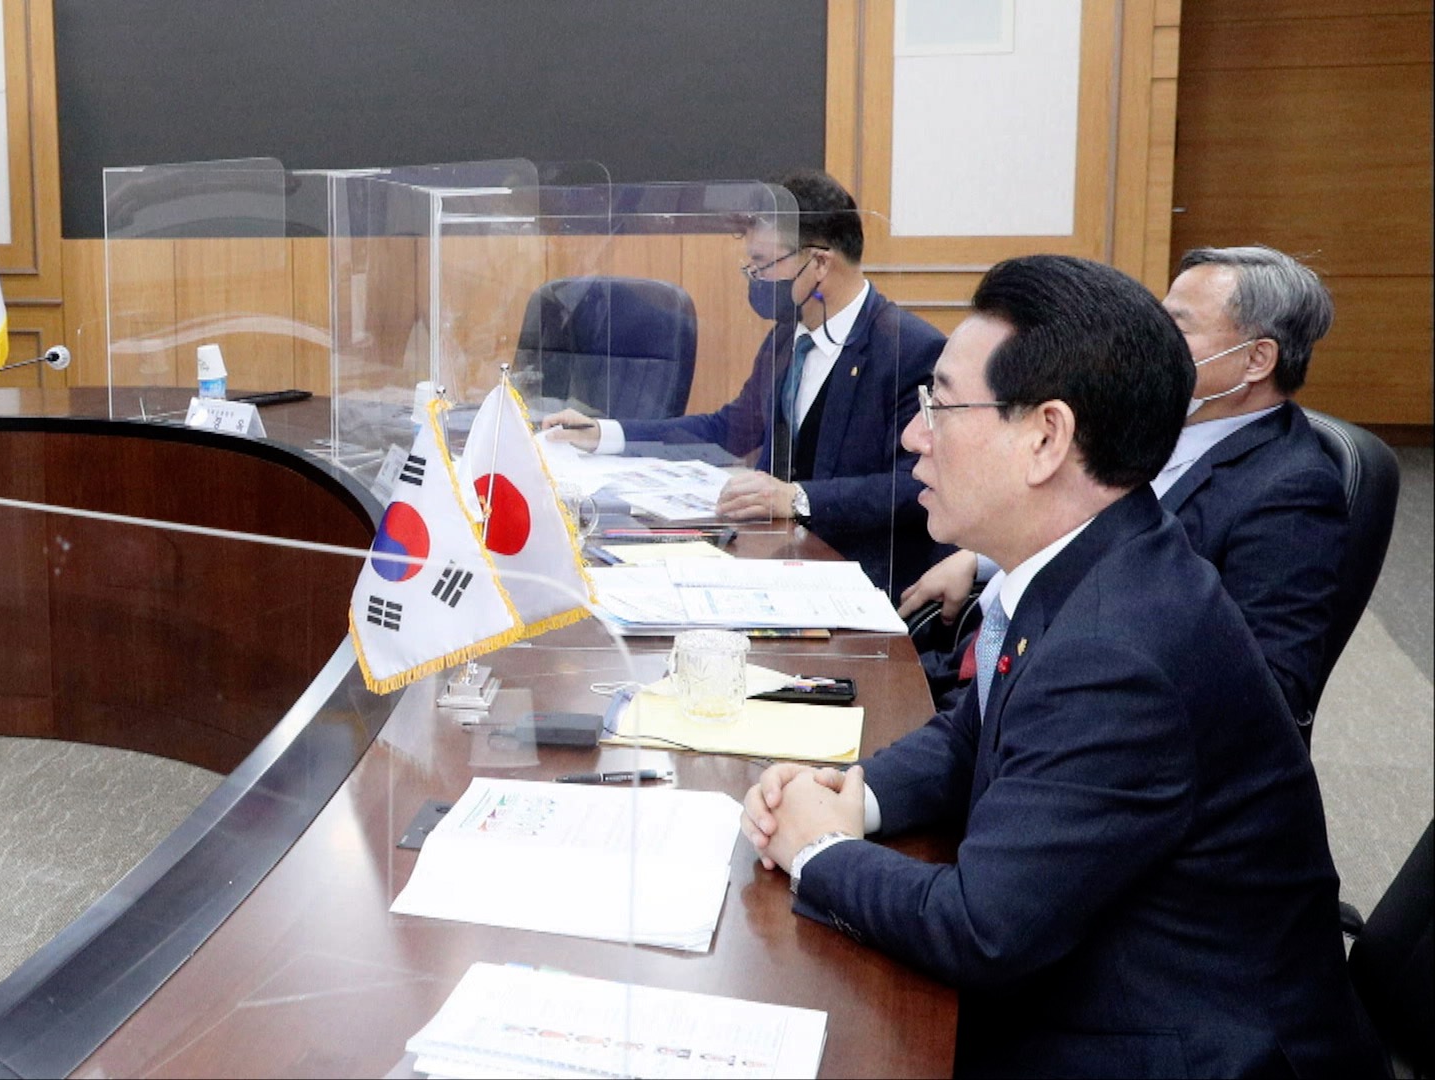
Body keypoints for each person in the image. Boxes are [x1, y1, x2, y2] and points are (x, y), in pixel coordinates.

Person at [741, 255, 1381, 1076]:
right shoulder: (1089, 561)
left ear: (1047, 438)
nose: (913, 437)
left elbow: (982, 931)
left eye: (939, 406)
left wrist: (819, 852)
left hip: (1176, 1044)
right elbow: (973, 733)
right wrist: (852, 794)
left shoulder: (1117, 653)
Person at [899, 245, 1346, 731]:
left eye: (1178, 327)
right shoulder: (1149, 418)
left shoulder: (1293, 490)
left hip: (1082, 705)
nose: (1156, 340)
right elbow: (1075, 504)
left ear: (1257, 359)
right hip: (990, 664)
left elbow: (1268, 693)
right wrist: (981, 557)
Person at [540, 169, 946, 597]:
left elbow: (916, 483)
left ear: (819, 263)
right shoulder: (787, 338)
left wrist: (798, 497)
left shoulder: (908, 350)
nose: (755, 278)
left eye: (762, 264)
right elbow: (730, 429)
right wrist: (606, 433)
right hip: (773, 559)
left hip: (858, 580)